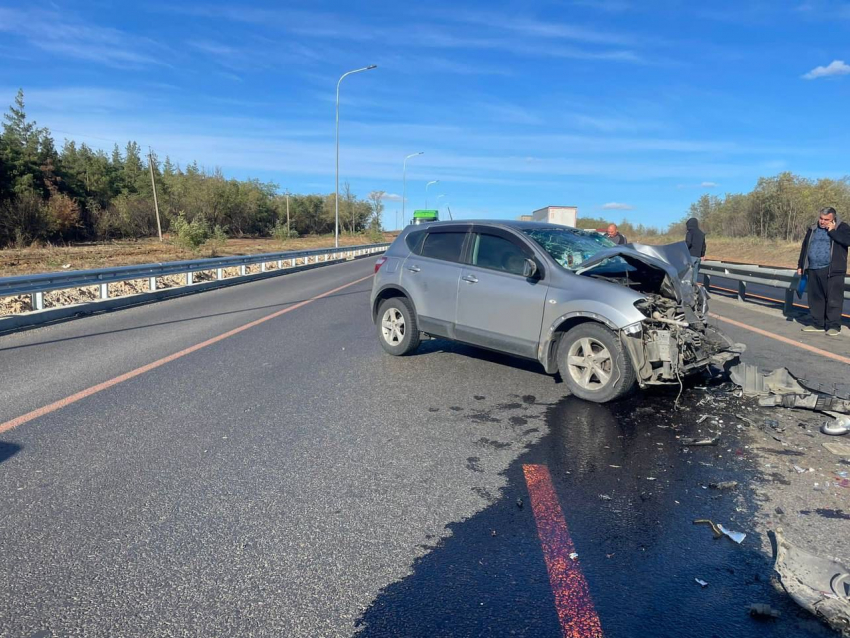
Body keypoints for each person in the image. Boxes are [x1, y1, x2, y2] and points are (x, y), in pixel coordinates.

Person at [797, 207, 850, 336]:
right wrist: (801, 265)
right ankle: (817, 324)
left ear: (833, 219)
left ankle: (833, 326)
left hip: (833, 270)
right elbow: (805, 246)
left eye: (826, 220)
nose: (822, 221)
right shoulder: (813, 228)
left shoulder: (842, 227)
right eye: (821, 218)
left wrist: (832, 231)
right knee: (815, 298)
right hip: (813, 268)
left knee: (833, 299)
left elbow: (847, 241)